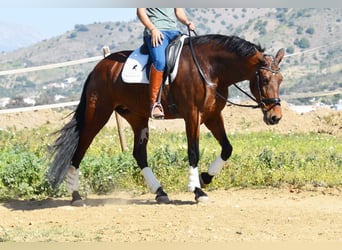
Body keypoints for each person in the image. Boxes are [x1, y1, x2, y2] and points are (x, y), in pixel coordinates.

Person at [137, 8, 195, 119]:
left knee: (189, 58)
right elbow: (140, 11)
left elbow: (179, 12)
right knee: (160, 61)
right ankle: (154, 104)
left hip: (175, 32)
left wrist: (187, 22)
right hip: (156, 32)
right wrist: (152, 29)